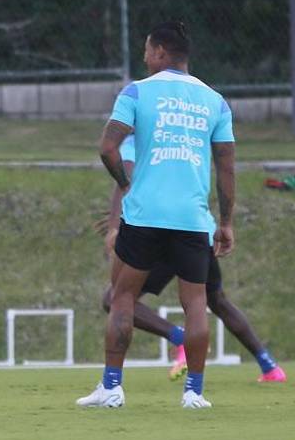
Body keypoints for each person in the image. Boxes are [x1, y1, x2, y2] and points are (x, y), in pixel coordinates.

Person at [81, 21, 235, 410]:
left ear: (161, 52)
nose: (145, 57)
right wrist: (226, 222)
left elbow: (107, 148)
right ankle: (194, 393)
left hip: (145, 215)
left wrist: (126, 185)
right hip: (192, 218)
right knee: (195, 303)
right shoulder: (215, 101)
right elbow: (226, 166)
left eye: (148, 50)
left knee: (122, 297)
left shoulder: (136, 92)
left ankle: (112, 388)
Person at [98, 139, 285, 384]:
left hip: (162, 233)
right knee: (216, 300)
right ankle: (269, 366)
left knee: (115, 298)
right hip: (199, 231)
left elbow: (124, 179)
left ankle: (180, 340)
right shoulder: (182, 135)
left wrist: (115, 225)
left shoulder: (137, 137)